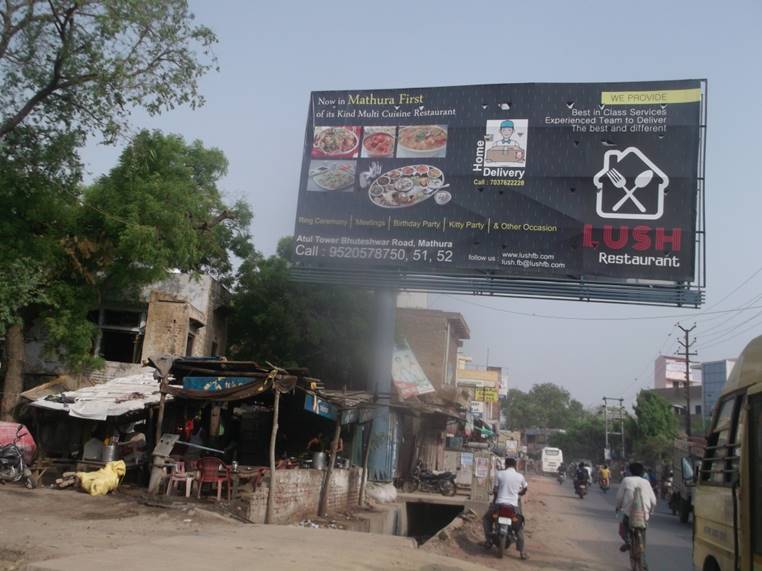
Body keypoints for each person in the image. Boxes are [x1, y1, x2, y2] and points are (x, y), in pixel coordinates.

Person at [483, 457, 529, 560]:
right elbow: (525, 488)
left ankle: (489, 541)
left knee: (486, 519)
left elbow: (495, 490)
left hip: (499, 504)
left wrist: (495, 500)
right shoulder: (520, 476)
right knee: (519, 526)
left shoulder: (499, 474)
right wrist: (519, 493)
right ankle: (522, 552)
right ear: (515, 465)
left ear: (506, 465)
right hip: (513, 506)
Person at [616, 462, 657, 552]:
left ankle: (628, 542)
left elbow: (619, 497)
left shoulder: (626, 480)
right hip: (644, 515)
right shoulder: (646, 482)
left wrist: (618, 507)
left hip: (629, 514)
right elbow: (653, 500)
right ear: (642, 472)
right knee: (643, 527)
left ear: (630, 471)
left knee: (624, 526)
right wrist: (651, 511)